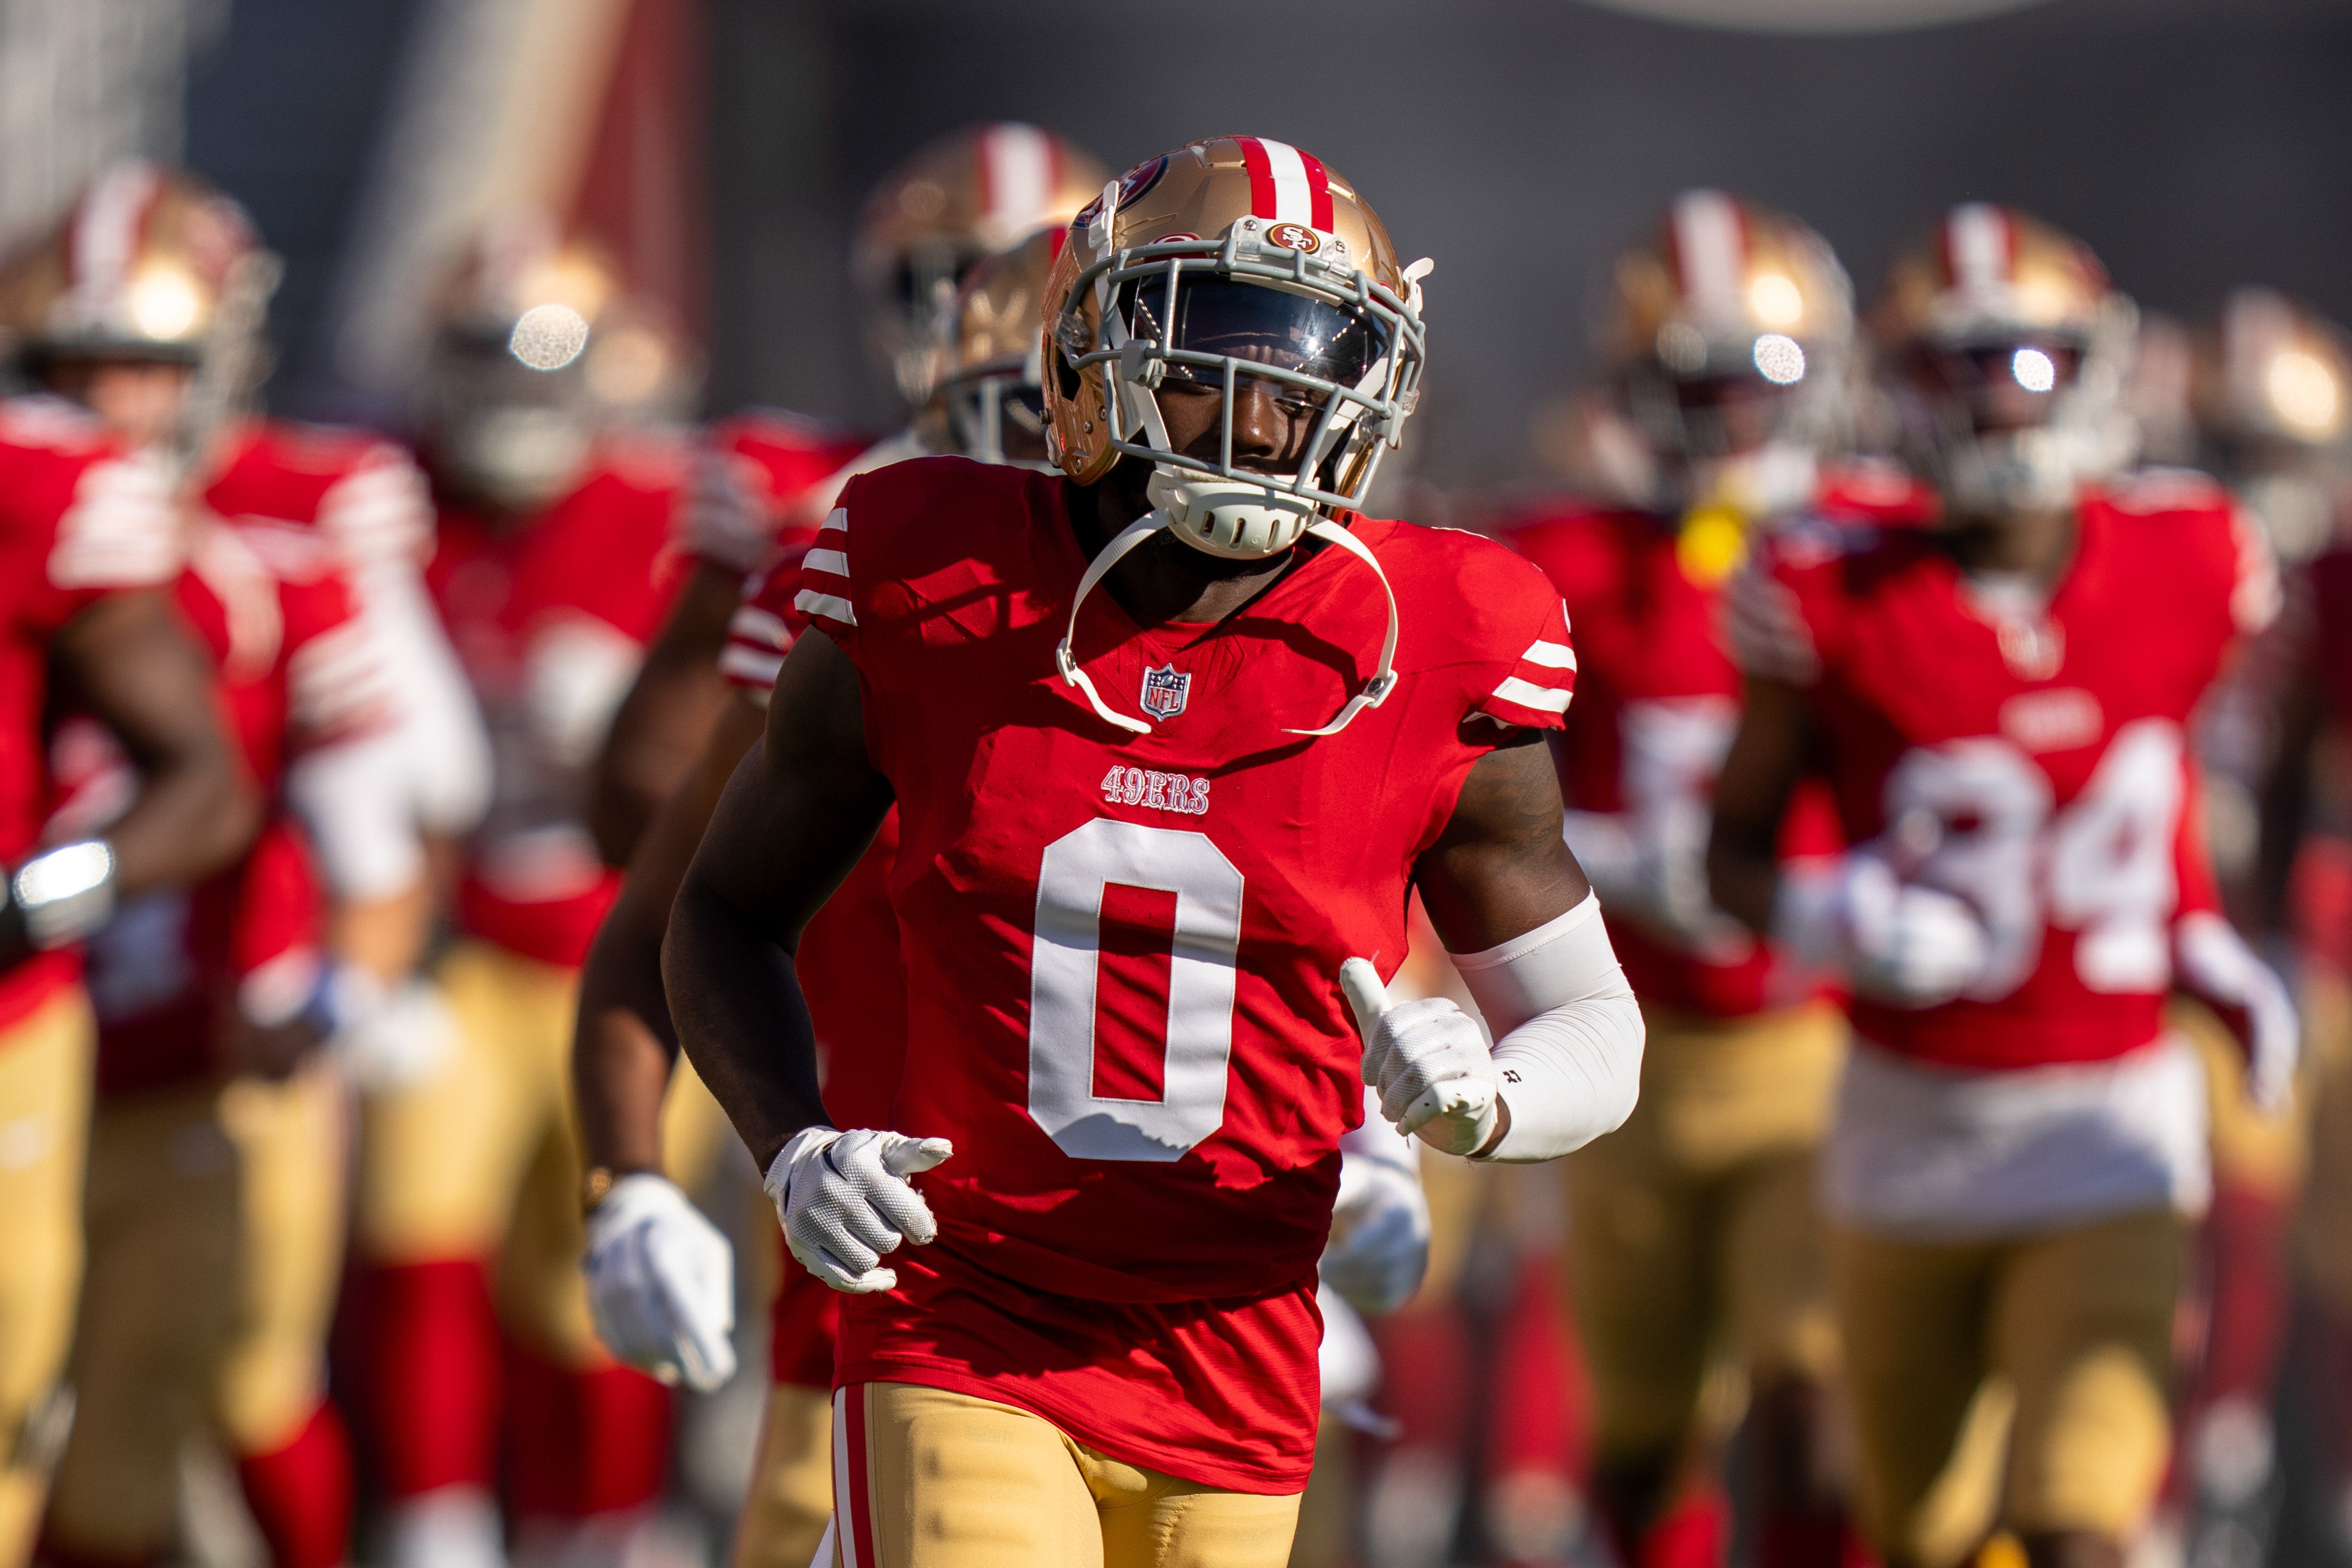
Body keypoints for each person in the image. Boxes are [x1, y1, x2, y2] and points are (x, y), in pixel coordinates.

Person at [663, 135, 1645, 1567]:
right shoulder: (928, 565)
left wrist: (1480, 1102)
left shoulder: (1444, 639)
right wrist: (789, 1143)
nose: (1263, 414)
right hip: (967, 1311)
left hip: (1234, 1344)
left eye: (1314, 362)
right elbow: (724, 910)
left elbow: (1590, 1025)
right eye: (1212, 350)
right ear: (1086, 351)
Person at [1708, 203, 2296, 1568]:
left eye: (2029, 363)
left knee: (2078, 1522)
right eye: (1954, 371)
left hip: (2110, 1125)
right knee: (1915, 1531)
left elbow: (2161, 803)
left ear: (2094, 366)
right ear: (1892, 390)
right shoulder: (1822, 582)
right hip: (1906, 1130)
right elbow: (1726, 852)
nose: (1999, 406)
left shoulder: (2193, 555)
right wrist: (1825, 912)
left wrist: (2202, 942)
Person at [1500, 189, 1872, 1568]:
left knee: (1808, 1391)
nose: (1725, 424)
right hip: (1630, 1055)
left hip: (1806, 1038)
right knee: (1646, 1434)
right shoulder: (1567, 558)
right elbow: (1481, 809)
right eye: (1691, 386)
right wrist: (1595, 852)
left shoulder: (1866, 552)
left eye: (1754, 385)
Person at [340, 222, 712, 1568]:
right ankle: (437, 1527)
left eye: (542, 366)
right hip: (458, 954)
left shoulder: (675, 509)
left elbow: (767, 740)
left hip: (628, 954)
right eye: (484, 363)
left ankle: (603, 1531)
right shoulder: (391, 503)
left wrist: (639, 717)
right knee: (415, 1242)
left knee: (603, 1278)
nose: (510, 400)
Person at [0, 189, 263, 1566]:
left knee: (186, 1387)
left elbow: (226, 787)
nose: (115, 403)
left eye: (149, 365)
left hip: (118, 1035)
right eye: (78, 365)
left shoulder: (60, 496)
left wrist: (30, 896)